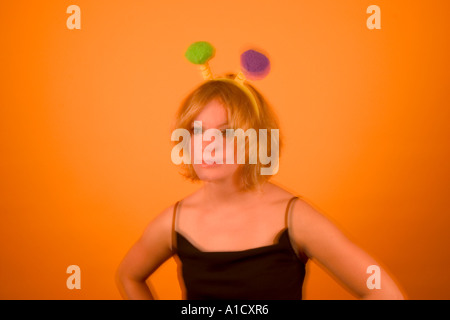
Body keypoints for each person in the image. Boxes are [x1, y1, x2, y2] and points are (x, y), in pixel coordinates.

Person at [116, 44, 404, 300]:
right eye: (196, 131)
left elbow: (381, 291)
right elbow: (129, 275)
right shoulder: (175, 221)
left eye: (226, 133)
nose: (208, 145)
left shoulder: (294, 218)